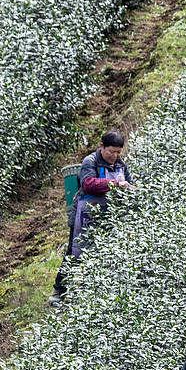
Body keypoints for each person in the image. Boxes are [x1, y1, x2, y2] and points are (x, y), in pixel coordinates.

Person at [51, 130, 135, 303]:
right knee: (75, 252)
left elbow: (132, 184)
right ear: (102, 147)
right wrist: (116, 184)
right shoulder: (90, 161)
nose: (115, 156)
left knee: (106, 253)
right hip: (85, 215)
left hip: (109, 216)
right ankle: (59, 291)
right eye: (111, 152)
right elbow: (88, 183)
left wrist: (131, 189)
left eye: (118, 152)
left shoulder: (121, 165)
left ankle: (95, 293)